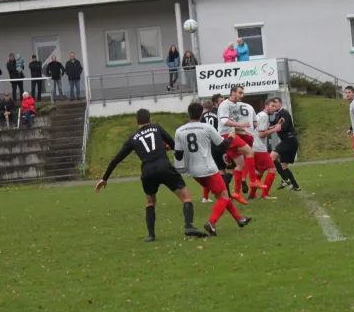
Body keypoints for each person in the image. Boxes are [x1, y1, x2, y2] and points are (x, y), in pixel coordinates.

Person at [95, 109, 207, 241]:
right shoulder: (156, 127)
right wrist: (169, 149)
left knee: (150, 202)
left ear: (137, 122)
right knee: (186, 197)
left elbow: (116, 159)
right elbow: (173, 144)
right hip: (164, 167)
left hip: (148, 172)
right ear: (150, 119)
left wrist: (104, 178)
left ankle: (151, 235)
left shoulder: (132, 138)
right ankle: (189, 226)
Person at [175, 102, 252, 236]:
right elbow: (223, 146)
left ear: (189, 114)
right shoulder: (206, 127)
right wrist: (232, 137)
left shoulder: (179, 131)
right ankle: (211, 222)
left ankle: (239, 219)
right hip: (208, 168)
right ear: (201, 114)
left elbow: (178, 155)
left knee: (221, 195)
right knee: (223, 196)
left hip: (194, 172)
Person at [217, 86, 267, 205]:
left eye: (242, 93)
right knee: (250, 152)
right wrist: (240, 125)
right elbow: (224, 121)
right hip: (226, 135)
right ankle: (253, 180)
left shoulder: (235, 105)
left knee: (240, 164)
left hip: (231, 134)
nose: (242, 95)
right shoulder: (225, 104)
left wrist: (242, 129)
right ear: (233, 93)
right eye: (240, 93)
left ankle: (237, 193)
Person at [248, 99, 282, 200]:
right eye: (272, 106)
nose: (274, 108)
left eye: (275, 107)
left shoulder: (260, 115)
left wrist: (276, 125)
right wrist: (275, 130)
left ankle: (252, 195)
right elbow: (261, 134)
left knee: (260, 172)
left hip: (255, 147)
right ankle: (265, 194)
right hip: (260, 148)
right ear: (266, 106)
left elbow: (263, 129)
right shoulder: (265, 116)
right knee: (272, 170)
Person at [270, 97, 301, 191]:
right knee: (283, 165)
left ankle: (285, 179)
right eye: (273, 104)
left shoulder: (284, 113)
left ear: (280, 103)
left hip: (289, 141)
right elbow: (272, 123)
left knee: (271, 157)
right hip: (287, 141)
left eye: (276, 103)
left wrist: (273, 127)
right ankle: (295, 186)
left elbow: (283, 127)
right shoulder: (278, 114)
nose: (274, 106)